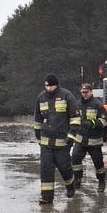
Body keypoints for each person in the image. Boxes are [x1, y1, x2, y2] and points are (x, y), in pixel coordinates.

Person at [33, 73, 81, 204]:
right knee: (46, 169)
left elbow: (75, 118)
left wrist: (71, 136)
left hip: (62, 141)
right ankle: (47, 197)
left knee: (64, 168)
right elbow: (37, 119)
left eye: (51, 86)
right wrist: (37, 134)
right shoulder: (41, 97)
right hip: (46, 141)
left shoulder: (66, 95)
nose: (49, 89)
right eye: (47, 86)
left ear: (57, 85)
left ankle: (70, 185)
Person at [70, 83, 107, 191]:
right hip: (80, 139)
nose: (85, 94)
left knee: (98, 163)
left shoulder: (98, 104)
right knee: (75, 159)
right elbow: (73, 119)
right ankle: (77, 179)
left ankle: (101, 181)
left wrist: (92, 123)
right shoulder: (77, 105)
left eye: (86, 92)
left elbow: (104, 121)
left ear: (91, 92)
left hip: (94, 140)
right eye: (83, 92)